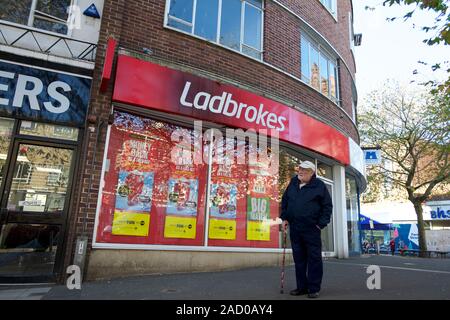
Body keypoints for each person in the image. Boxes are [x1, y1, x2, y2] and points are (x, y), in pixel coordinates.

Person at [280, 160, 333, 298]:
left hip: (311, 228)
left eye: (305, 170)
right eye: (300, 169)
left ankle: (313, 288)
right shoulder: (293, 183)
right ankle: (301, 287)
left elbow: (327, 207)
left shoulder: (319, 185)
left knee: (314, 259)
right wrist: (284, 218)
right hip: (295, 227)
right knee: (299, 259)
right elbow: (285, 201)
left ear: (312, 173)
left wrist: (320, 224)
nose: (301, 172)